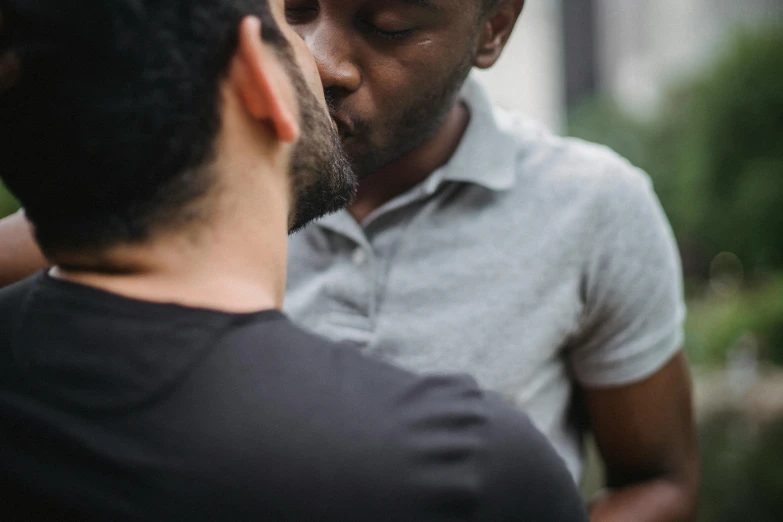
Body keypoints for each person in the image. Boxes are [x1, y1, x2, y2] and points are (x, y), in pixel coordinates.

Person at [0, 1, 699, 520]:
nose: (320, 59)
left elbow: (659, 478)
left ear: (493, 28)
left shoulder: (595, 207)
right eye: (294, 10)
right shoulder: (168, 187)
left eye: (387, 24)